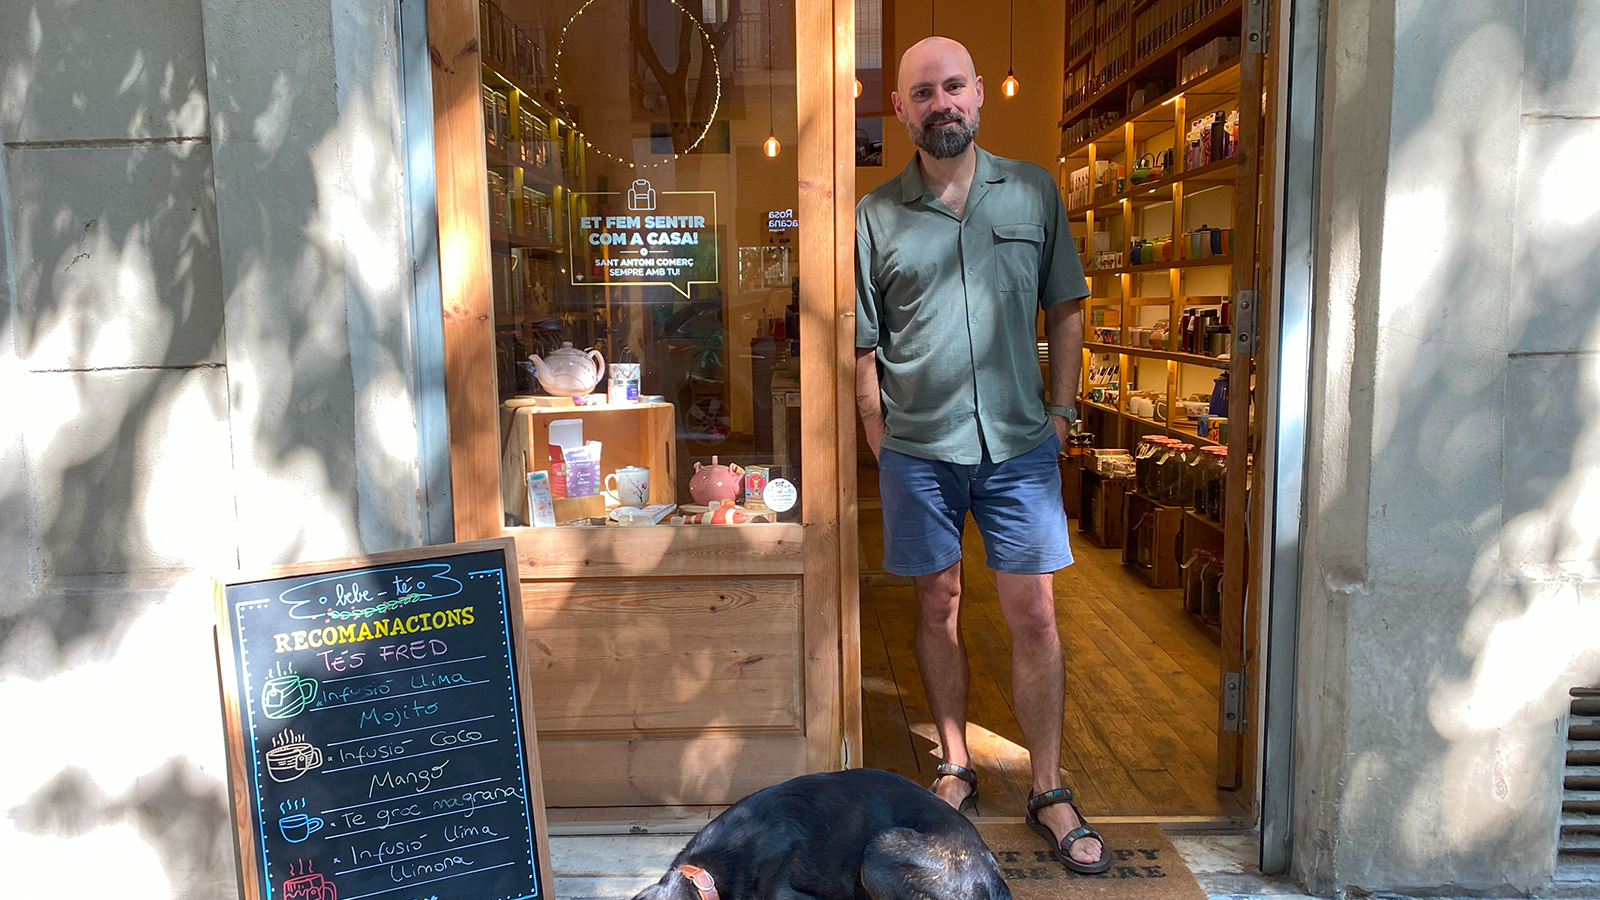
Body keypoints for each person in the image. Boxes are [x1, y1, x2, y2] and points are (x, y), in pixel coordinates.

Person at [853, 36, 1107, 875]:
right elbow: (863, 345)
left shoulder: (1031, 192)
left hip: (1020, 444)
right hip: (919, 449)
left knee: (1033, 612)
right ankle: (956, 763)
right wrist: (876, 437)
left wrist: (1063, 412)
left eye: (953, 87)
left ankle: (1047, 786)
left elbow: (1066, 305)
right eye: (922, 93)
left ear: (981, 93)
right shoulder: (875, 214)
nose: (942, 104)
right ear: (902, 111)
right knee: (937, 606)